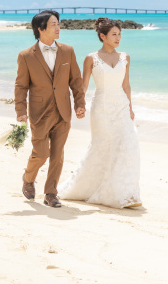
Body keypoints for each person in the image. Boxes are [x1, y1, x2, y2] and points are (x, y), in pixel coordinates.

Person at [58, 17, 142, 208]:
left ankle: (126, 194)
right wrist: (80, 104)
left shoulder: (125, 57)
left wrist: (130, 108)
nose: (118, 37)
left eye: (120, 34)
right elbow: (84, 84)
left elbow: (126, 85)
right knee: (102, 148)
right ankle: (91, 188)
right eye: (114, 34)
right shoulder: (91, 58)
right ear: (103, 36)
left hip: (121, 106)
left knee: (128, 146)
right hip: (101, 108)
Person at [15, 10, 86, 208]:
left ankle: (51, 193)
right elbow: (21, 86)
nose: (58, 27)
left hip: (63, 111)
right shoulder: (26, 56)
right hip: (39, 113)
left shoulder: (67, 51)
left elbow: (76, 81)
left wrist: (80, 104)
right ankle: (28, 178)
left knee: (57, 155)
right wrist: (20, 111)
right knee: (41, 153)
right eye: (53, 24)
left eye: (58, 23)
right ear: (41, 29)